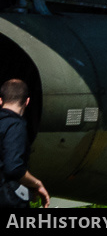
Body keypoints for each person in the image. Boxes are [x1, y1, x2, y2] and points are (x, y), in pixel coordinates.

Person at [0, 79, 48, 211]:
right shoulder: (15, 126)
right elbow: (13, 168)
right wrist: (37, 183)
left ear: (0, 100)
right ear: (27, 101)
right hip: (7, 199)